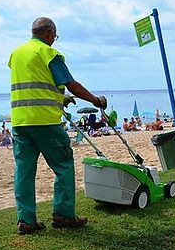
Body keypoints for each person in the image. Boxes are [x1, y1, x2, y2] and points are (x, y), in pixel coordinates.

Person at [9, 17, 107, 235]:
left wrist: (59, 98)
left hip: (20, 122)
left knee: (24, 171)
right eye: (54, 35)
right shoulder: (49, 53)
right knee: (63, 165)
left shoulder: (16, 54)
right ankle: (63, 214)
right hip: (45, 122)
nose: (54, 39)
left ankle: (25, 220)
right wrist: (95, 100)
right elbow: (70, 83)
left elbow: (33, 86)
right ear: (49, 33)